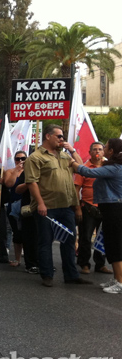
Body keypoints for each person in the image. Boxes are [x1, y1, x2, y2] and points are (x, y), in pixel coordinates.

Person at [25, 124, 90, 287]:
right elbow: (32, 183)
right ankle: (47, 274)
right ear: (48, 136)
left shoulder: (64, 156)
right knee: (45, 241)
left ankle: (71, 275)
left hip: (66, 205)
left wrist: (72, 150)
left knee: (69, 240)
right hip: (47, 207)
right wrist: (40, 203)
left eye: (63, 137)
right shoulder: (36, 157)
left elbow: (82, 168)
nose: (62, 140)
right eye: (59, 136)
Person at [71, 138, 122, 293]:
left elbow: (88, 172)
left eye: (105, 147)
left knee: (116, 245)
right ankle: (116, 279)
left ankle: (120, 282)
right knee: (111, 245)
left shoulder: (115, 167)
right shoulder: (112, 166)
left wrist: (72, 161)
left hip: (115, 209)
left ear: (111, 151)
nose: (103, 150)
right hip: (109, 208)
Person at [74, 142, 112, 274]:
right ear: (90, 152)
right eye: (95, 149)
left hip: (105, 207)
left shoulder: (109, 168)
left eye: (100, 149)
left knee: (102, 237)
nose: (98, 151)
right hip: (88, 207)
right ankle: (84, 264)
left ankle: (100, 264)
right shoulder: (84, 168)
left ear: (104, 152)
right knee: (86, 237)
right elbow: (76, 189)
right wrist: (77, 208)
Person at [3, 151, 37, 271]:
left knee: (29, 233)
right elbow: (9, 184)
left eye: (23, 158)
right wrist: (17, 170)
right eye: (18, 159)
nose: (21, 161)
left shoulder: (31, 171)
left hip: (28, 205)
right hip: (14, 205)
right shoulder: (10, 171)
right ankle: (18, 259)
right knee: (17, 233)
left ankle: (33, 259)